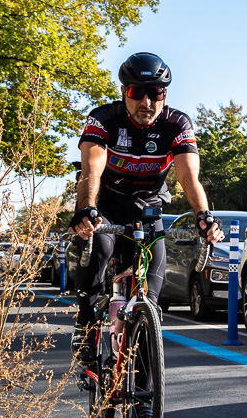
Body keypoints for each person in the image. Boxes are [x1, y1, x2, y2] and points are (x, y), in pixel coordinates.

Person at [68, 52, 224, 362]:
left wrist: (203, 215)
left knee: (150, 296)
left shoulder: (177, 123)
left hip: (147, 210)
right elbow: (91, 170)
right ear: (124, 92)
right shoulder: (104, 119)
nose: (147, 102)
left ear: (164, 95)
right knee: (98, 248)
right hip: (107, 205)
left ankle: (141, 374)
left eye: (156, 93)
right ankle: (85, 322)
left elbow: (188, 177)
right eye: (137, 92)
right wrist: (86, 208)